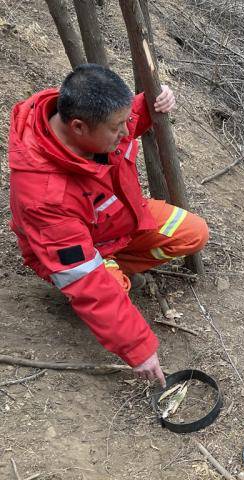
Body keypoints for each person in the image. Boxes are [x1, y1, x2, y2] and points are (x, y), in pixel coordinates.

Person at [8, 64, 209, 387]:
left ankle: (118, 264)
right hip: (81, 254)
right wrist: (138, 348)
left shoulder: (95, 123)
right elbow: (83, 277)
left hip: (119, 225)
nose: (126, 132)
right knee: (109, 289)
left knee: (192, 233)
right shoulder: (44, 195)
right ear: (78, 128)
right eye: (118, 127)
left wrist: (154, 101)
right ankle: (111, 272)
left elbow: (128, 120)